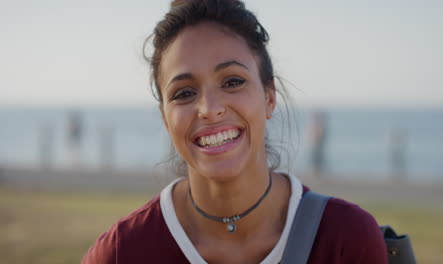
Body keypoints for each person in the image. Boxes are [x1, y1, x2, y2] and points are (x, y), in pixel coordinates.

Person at [82, 0, 387, 263]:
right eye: (184, 93)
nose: (209, 108)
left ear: (269, 98)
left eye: (232, 82)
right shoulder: (121, 254)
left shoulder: (348, 240)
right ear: (165, 118)